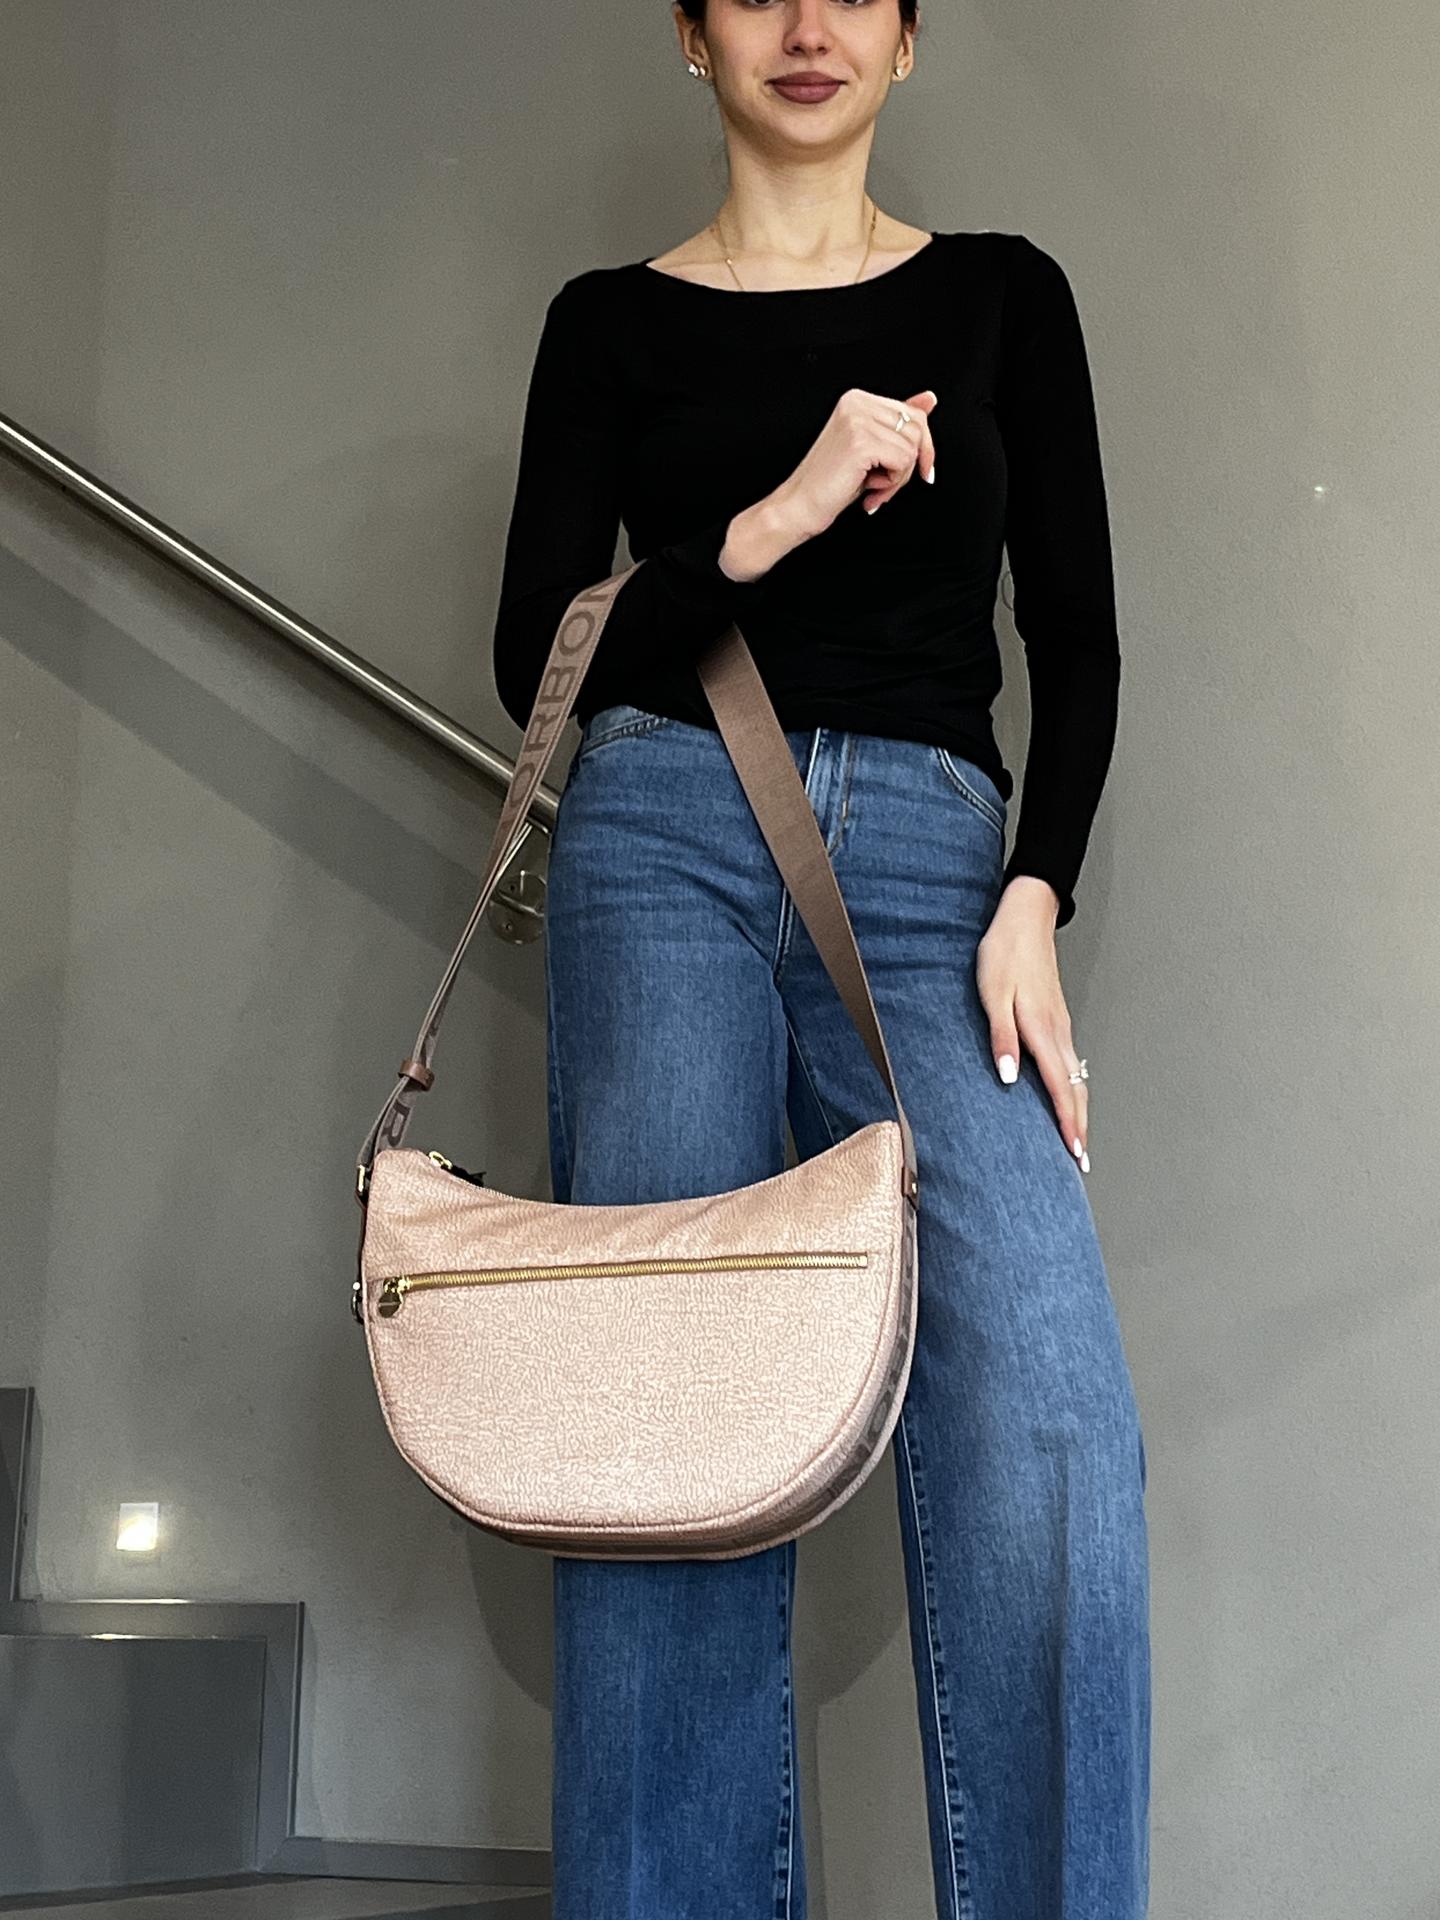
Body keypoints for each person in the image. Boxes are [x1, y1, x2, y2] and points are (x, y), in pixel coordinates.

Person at [490, 3, 1151, 1915]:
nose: (807, 25)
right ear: (689, 39)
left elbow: (1078, 641)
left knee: (1049, 1426)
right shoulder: (608, 323)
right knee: (671, 1432)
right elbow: (538, 655)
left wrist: (1037, 894)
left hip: (941, 866)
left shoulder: (1004, 296)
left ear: (907, 43)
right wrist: (772, 520)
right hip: (660, 839)